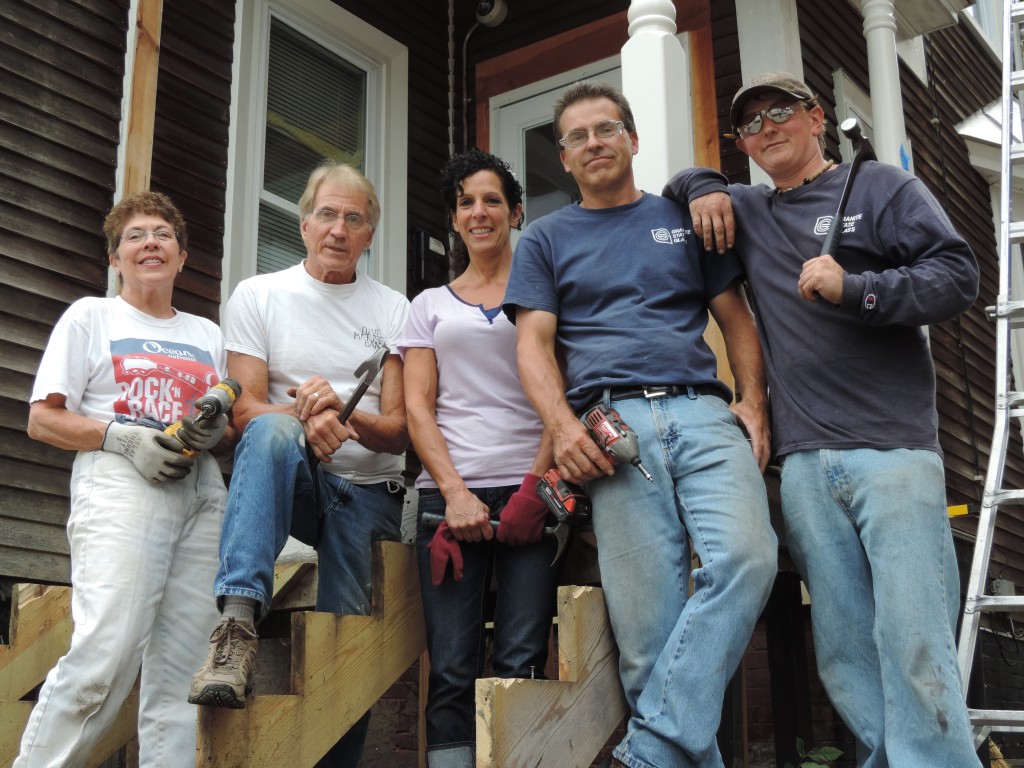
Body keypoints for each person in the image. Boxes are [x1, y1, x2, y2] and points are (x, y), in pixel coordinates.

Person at [664, 71, 982, 768]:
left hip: (893, 453)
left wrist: (858, 289)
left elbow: (958, 274)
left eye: (782, 112)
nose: (767, 127)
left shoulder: (879, 189)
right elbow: (678, 185)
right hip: (805, 465)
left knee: (917, 642)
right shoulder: (746, 209)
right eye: (751, 123)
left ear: (816, 119)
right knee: (841, 653)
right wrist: (702, 184)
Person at [502, 81, 778, 768]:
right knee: (648, 638)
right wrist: (562, 430)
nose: (593, 143)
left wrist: (752, 400)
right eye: (577, 137)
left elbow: (736, 318)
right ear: (563, 159)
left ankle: (649, 748)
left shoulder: (684, 219)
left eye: (606, 129)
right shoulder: (544, 239)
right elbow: (533, 346)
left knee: (749, 558)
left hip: (703, 411)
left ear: (632, 139)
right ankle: (663, 747)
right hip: (611, 430)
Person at [187, 161, 410, 767]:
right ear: (305, 223)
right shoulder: (260, 295)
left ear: (369, 235)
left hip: (368, 490)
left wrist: (343, 413)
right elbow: (242, 413)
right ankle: (236, 627)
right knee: (271, 426)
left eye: (354, 218)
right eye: (328, 214)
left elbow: (399, 432)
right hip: (295, 481)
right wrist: (305, 421)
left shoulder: (395, 310)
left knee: (348, 650)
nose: (339, 229)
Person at [16, 191, 232, 767]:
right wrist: (122, 436)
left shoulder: (207, 333)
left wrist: (217, 434)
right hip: (122, 481)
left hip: (202, 490)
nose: (150, 243)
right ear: (115, 259)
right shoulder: (91, 315)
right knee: (106, 655)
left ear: (182, 257)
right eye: (134, 236)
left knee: (186, 673)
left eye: (163, 234)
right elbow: (42, 417)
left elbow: (220, 420)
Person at [398, 149, 559, 768]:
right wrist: (456, 492)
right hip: (449, 499)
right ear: (455, 219)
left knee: (522, 658)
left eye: (492, 199)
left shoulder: (544, 296)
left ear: (515, 212)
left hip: (531, 490)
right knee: (452, 666)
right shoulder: (428, 306)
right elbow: (418, 410)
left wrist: (533, 489)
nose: (479, 211)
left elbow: (558, 400)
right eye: (466, 201)